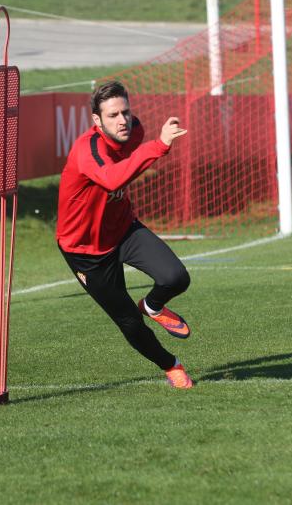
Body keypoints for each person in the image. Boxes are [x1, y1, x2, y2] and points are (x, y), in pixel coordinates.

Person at [56, 80, 194, 389]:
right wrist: (159, 146)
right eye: (113, 115)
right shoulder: (87, 150)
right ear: (97, 120)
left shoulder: (135, 131)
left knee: (176, 277)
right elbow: (112, 178)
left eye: (125, 112)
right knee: (130, 323)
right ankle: (170, 365)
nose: (122, 120)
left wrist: (154, 143)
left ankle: (153, 305)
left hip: (123, 230)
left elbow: (130, 160)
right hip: (85, 251)